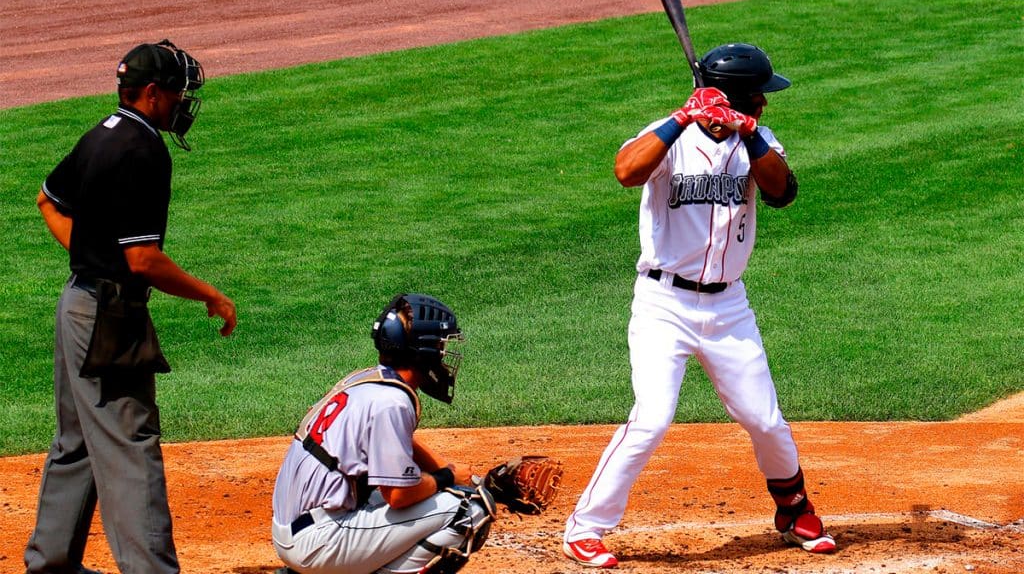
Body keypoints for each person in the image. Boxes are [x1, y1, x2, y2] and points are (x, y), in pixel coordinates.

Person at [562, 43, 835, 568]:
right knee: (652, 419)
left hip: (729, 307)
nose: (765, 105)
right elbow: (626, 170)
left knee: (765, 419)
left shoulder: (759, 139)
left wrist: (750, 133)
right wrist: (681, 117)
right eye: (759, 97)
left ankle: (794, 510)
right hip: (663, 304)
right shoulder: (670, 135)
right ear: (740, 95)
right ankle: (586, 527)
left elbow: (782, 192)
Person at [27, 40, 237, 574]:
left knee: (76, 441)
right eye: (175, 93)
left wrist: (89, 254)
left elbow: (47, 200)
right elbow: (143, 260)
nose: (181, 104)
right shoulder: (144, 150)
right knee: (132, 445)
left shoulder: (101, 133)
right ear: (151, 93)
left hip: (76, 304)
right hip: (108, 319)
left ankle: (51, 565)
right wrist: (209, 293)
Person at [271, 293, 495, 574]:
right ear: (421, 351)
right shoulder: (393, 402)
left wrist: (462, 476)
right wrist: (448, 478)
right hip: (318, 543)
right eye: (439, 345)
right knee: (468, 509)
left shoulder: (366, 380)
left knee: (435, 490)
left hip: (294, 529)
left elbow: (403, 446)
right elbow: (398, 496)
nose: (443, 353)